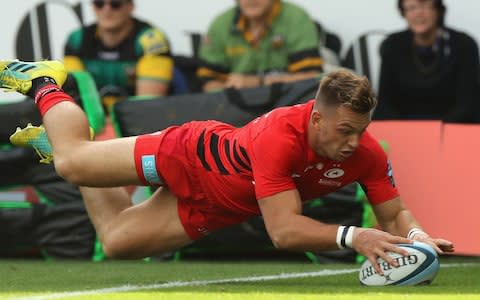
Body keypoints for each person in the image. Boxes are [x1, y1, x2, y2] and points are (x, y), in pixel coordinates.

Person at [1, 60, 453, 274]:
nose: (354, 142)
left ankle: (50, 140)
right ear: (317, 117)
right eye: (345, 131)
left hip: (220, 207)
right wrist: (357, 236)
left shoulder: (367, 152)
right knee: (73, 162)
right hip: (188, 155)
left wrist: (417, 238)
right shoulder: (281, 137)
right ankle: (45, 82)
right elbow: (283, 232)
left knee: (116, 242)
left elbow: (394, 212)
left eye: (361, 130)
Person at [375, 0, 480, 122]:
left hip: (452, 127)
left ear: (438, 10)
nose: (419, 13)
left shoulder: (464, 44)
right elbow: (385, 101)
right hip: (402, 129)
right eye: (411, 7)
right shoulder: (392, 45)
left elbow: (467, 102)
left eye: (425, 6)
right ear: (404, 12)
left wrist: (434, 132)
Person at [63, 0, 174, 105]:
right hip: (93, 119)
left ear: (130, 6)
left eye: (115, 3)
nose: (106, 10)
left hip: (136, 120)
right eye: (99, 3)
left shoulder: (152, 41)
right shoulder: (77, 39)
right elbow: (75, 96)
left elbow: (147, 103)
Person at [197, 0, 323, 92]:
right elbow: (208, 82)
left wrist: (256, 82)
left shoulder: (297, 18)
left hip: (288, 104)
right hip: (239, 110)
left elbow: (311, 77)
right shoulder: (220, 25)